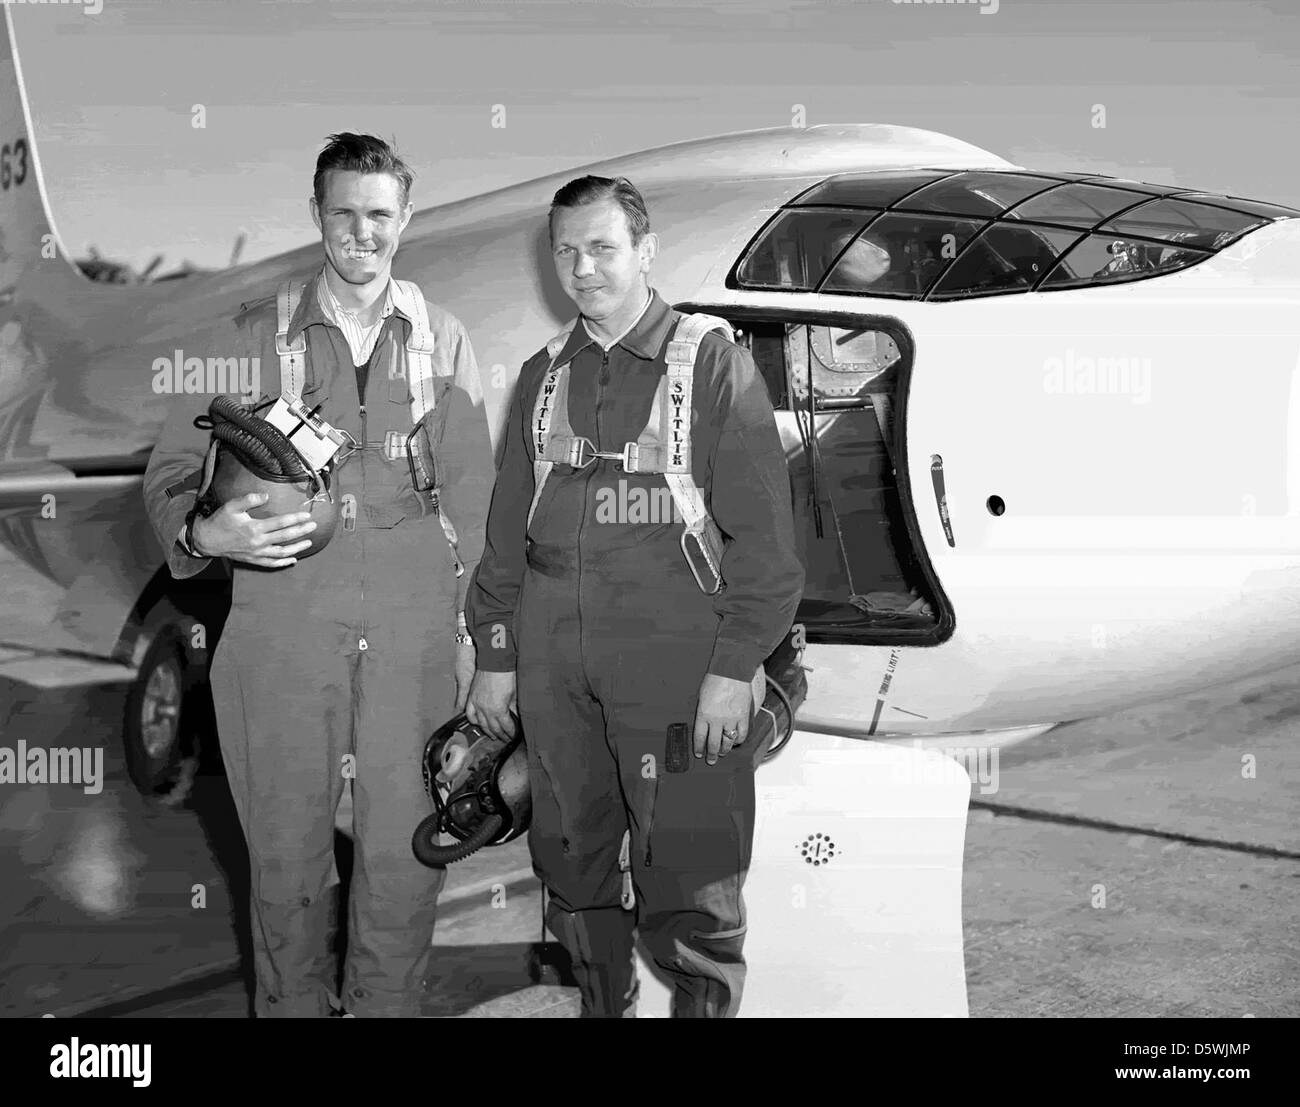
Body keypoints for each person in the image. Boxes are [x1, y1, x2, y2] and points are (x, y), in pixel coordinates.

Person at [141, 133, 494, 1018]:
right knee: (286, 849)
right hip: (283, 609)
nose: (361, 232)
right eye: (343, 212)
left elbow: (480, 503)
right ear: (317, 216)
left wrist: (493, 647)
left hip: (414, 605)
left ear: (403, 220)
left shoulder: (446, 339)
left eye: (379, 214)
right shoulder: (252, 333)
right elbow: (173, 465)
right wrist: (204, 528)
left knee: (403, 851)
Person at [465, 175, 803, 1018]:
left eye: (603, 248)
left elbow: (766, 542)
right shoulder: (543, 377)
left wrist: (735, 666)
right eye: (567, 251)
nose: (583, 268)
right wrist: (497, 659)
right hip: (555, 669)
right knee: (570, 861)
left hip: (678, 669)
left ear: (646, 251)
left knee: (691, 873)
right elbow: (507, 537)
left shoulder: (712, 361)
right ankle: (600, 1008)